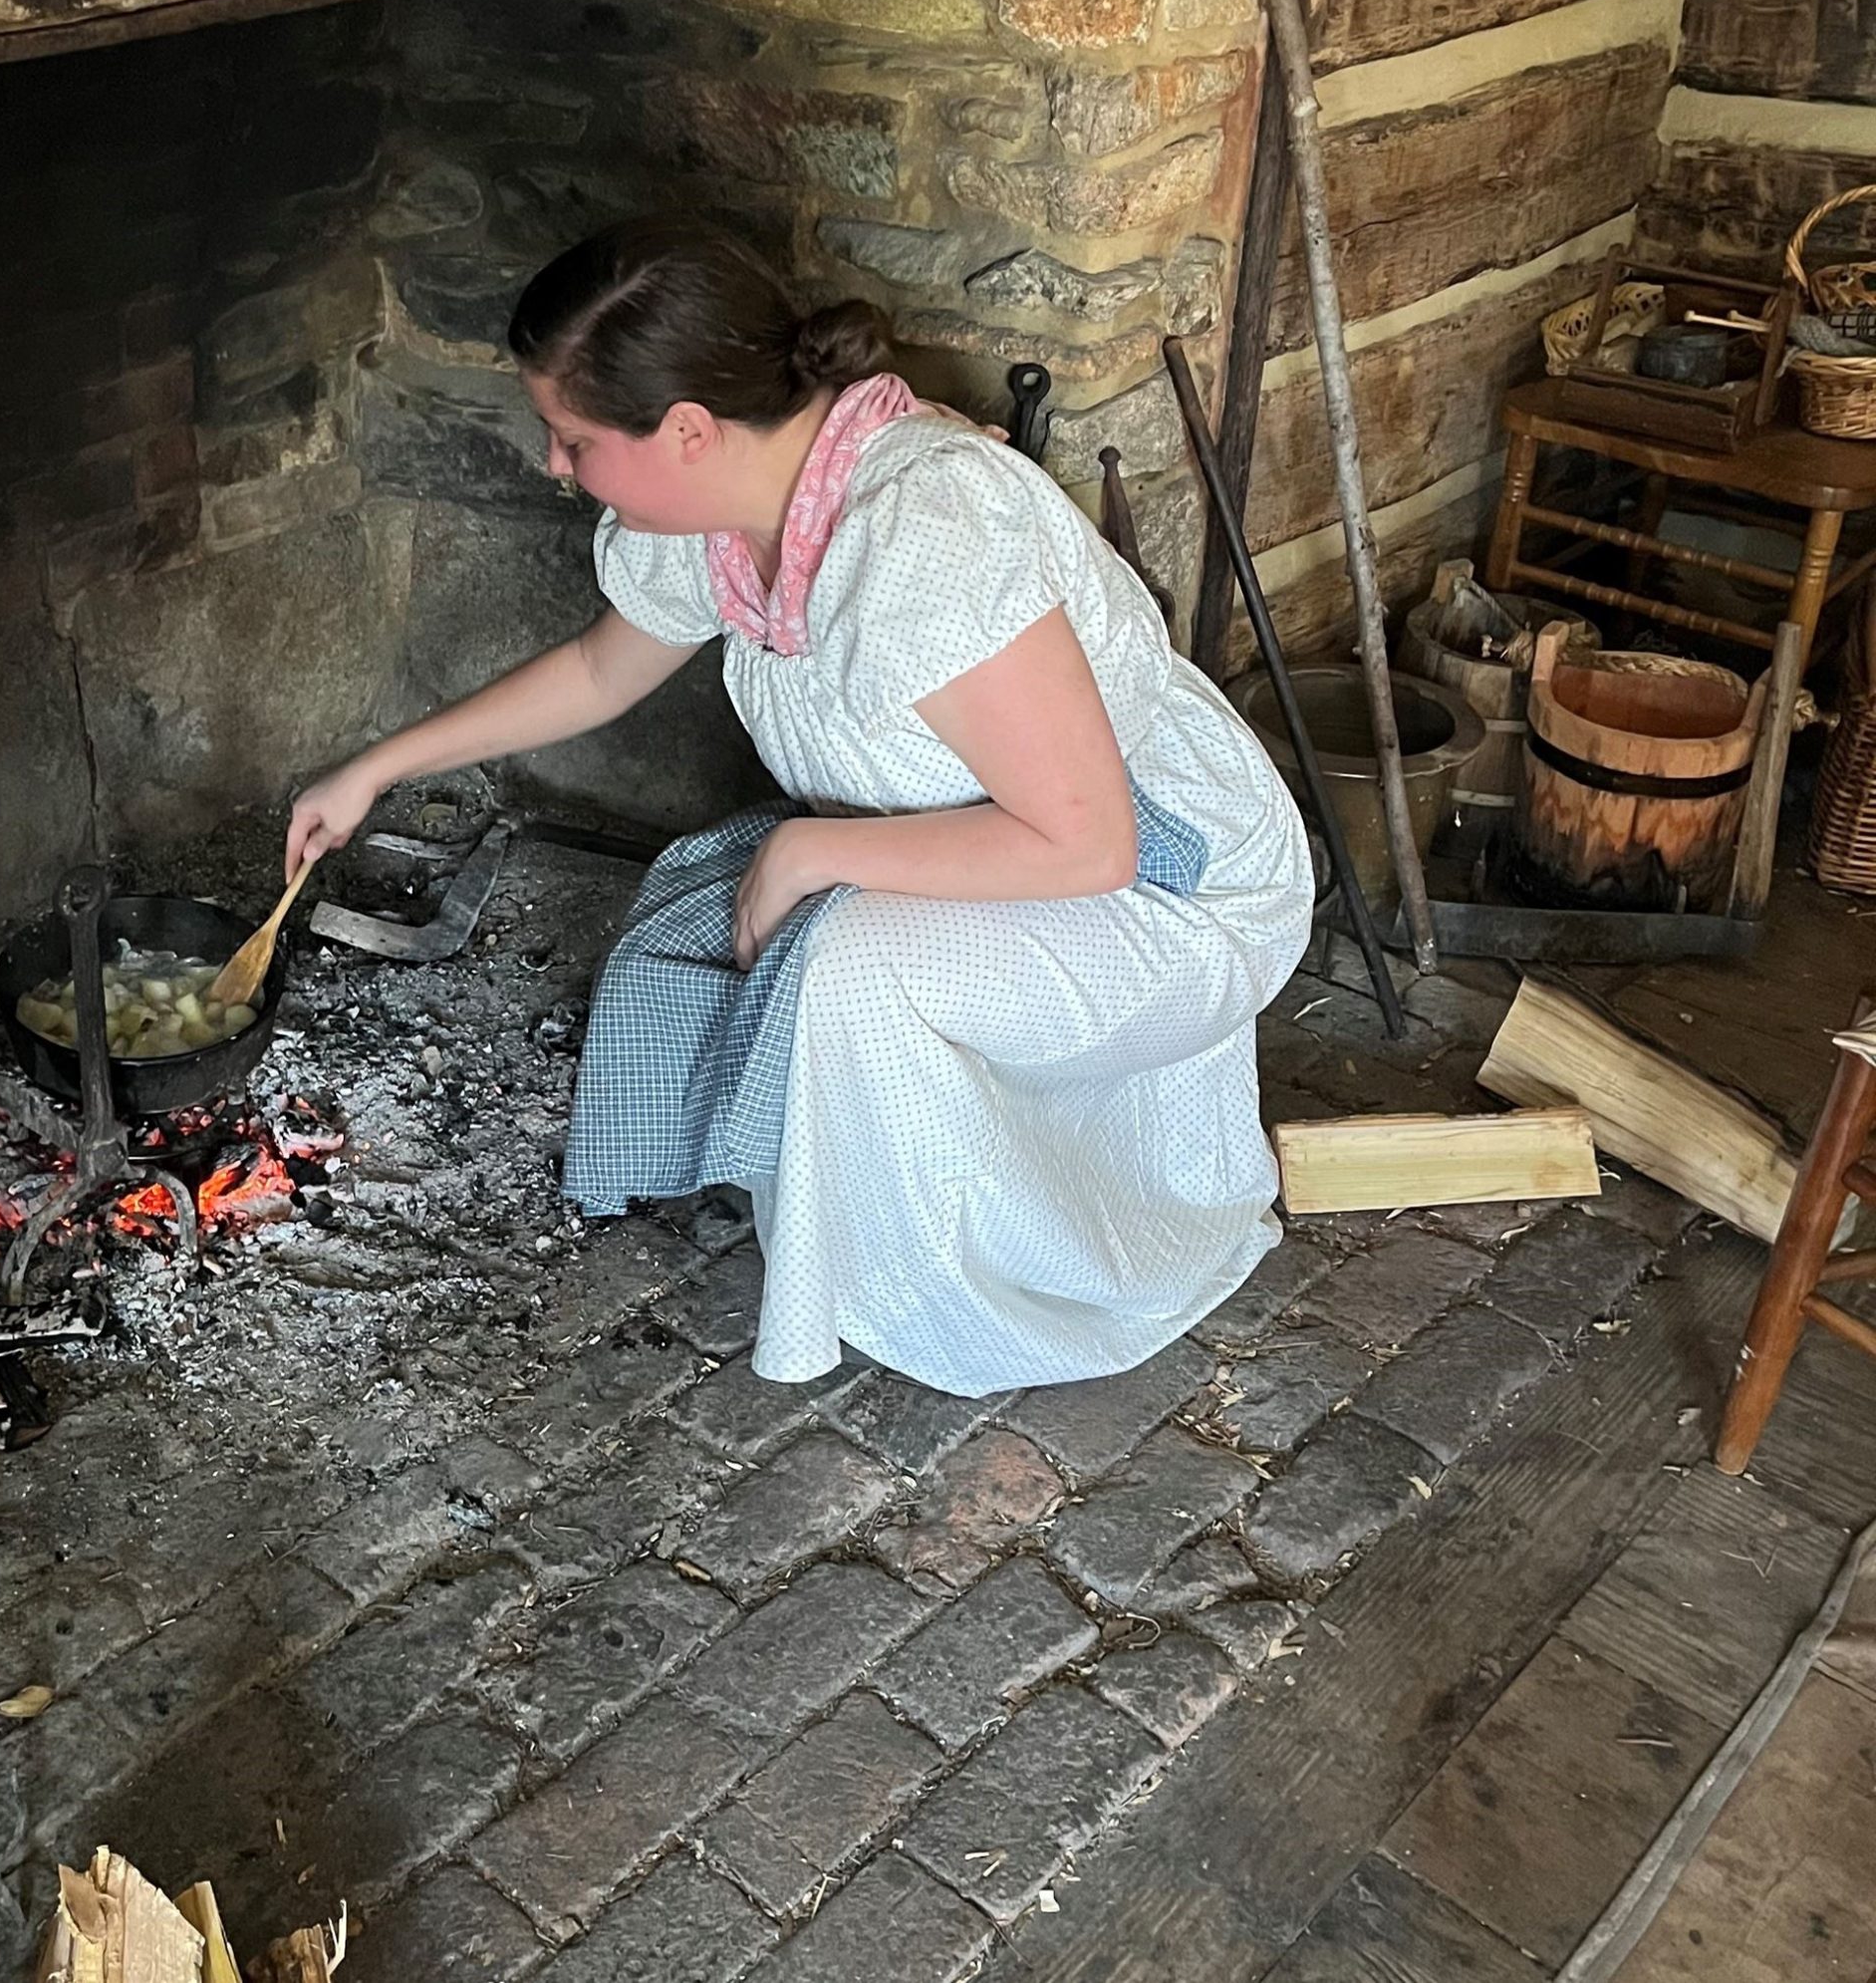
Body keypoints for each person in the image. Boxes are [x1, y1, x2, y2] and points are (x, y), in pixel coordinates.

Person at [287, 217, 1313, 1398]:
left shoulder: (925, 535)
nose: (554, 465)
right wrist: (375, 769)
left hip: (1176, 885)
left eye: (573, 439)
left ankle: (981, 1300)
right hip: (1019, 845)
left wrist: (807, 851)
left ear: (686, 429)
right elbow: (598, 672)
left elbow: (1085, 843)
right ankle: (855, 1181)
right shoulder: (732, 508)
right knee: (691, 914)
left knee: (844, 967)